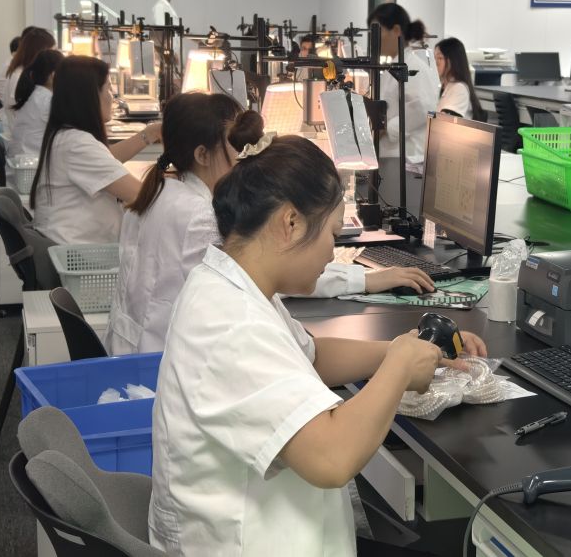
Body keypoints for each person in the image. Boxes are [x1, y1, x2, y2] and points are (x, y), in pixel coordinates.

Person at [148, 134, 487, 555]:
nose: (332, 251)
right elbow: (331, 459)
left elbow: (313, 356)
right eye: (332, 233)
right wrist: (399, 367)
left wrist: (406, 348)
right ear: (290, 223)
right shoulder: (232, 325)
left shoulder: (234, 284)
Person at [105, 92, 434, 356]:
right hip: (156, 360)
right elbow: (275, 271)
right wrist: (365, 279)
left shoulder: (159, 190)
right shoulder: (199, 216)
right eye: (235, 147)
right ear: (202, 155)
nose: (245, 157)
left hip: (134, 350)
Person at [30, 57, 161, 244]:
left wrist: (150, 133)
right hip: (81, 251)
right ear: (90, 95)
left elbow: (106, 157)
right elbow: (140, 195)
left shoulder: (67, 136)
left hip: (70, 242)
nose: (112, 96)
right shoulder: (77, 145)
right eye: (108, 88)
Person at [367, 3, 440, 208]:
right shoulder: (394, 65)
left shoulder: (414, 67)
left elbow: (425, 108)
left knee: (399, 209)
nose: (374, 39)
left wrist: (386, 127)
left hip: (406, 159)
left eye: (378, 31)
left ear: (396, 30)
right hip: (391, 154)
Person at [0, 26, 55, 130]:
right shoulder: (20, 77)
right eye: (51, 51)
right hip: (19, 131)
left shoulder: (18, 70)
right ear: (39, 52)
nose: (53, 56)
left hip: (17, 128)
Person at [9, 48, 64, 158]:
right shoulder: (47, 100)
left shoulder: (35, 94)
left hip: (22, 158)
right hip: (29, 162)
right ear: (53, 75)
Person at [434, 37, 485, 121]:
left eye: (440, 58)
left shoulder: (459, 88)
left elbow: (444, 122)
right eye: (434, 58)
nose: (435, 63)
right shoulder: (445, 87)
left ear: (453, 61)